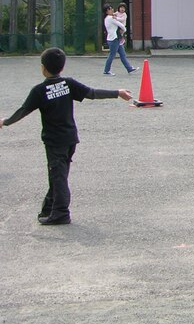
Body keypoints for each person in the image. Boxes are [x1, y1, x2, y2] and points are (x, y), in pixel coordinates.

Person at [0, 47, 132, 224]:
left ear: (43, 68)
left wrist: (5, 121)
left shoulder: (40, 90)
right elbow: (92, 93)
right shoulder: (68, 84)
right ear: (62, 68)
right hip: (70, 139)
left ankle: (61, 213)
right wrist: (117, 93)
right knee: (58, 174)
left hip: (55, 142)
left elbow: (23, 111)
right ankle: (49, 208)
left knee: (58, 176)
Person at [103, 5, 137, 75]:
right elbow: (121, 25)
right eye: (110, 9)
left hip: (116, 38)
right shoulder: (110, 18)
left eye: (112, 8)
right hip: (113, 39)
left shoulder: (108, 18)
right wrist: (124, 30)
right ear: (107, 11)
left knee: (122, 54)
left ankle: (129, 68)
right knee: (112, 55)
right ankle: (106, 70)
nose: (112, 10)